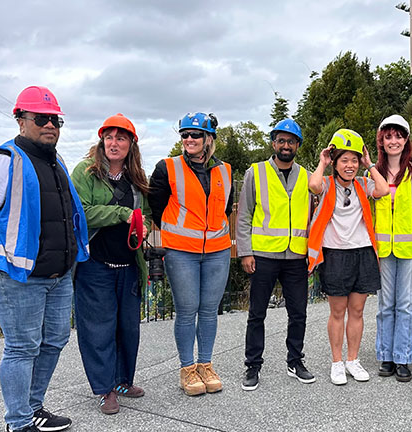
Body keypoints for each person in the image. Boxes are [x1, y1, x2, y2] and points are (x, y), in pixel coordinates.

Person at [0, 86, 88, 432]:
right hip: (18, 276)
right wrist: (6, 246)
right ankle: (16, 425)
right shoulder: (5, 160)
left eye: (55, 119)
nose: (50, 125)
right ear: (21, 120)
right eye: (41, 118)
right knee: (21, 348)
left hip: (59, 274)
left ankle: (32, 409)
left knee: (53, 341)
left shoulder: (55, 161)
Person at [71, 113, 152, 413]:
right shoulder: (85, 172)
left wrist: (143, 225)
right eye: (109, 137)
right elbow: (83, 214)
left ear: (131, 143)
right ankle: (105, 389)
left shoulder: (135, 178)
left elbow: (143, 215)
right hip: (95, 265)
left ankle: (122, 381)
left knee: (128, 328)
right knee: (98, 329)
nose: (114, 143)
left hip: (128, 265)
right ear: (101, 140)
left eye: (121, 137)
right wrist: (122, 215)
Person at [149, 112, 233, 396]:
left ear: (209, 139)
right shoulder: (166, 168)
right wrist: (178, 234)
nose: (189, 139)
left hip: (218, 251)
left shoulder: (225, 170)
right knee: (187, 312)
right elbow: (157, 207)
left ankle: (205, 365)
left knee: (209, 311)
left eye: (195, 135)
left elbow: (226, 207)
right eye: (184, 134)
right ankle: (187, 369)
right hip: (181, 252)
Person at [307, 128, 390, 385]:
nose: (350, 165)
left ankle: (352, 360)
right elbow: (313, 185)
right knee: (337, 312)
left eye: (354, 160)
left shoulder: (363, 184)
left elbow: (384, 189)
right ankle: (336, 362)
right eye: (344, 160)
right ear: (335, 161)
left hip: (363, 253)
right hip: (334, 255)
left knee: (357, 310)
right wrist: (323, 162)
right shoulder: (328, 185)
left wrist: (369, 164)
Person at [236, 119, 314, 390]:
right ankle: (252, 366)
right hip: (264, 255)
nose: (285, 145)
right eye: (281, 140)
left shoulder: (306, 176)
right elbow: (244, 216)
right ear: (273, 143)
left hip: (296, 256)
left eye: (291, 141)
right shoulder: (255, 172)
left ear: (297, 146)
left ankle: (295, 361)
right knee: (257, 314)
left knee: (298, 314)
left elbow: (315, 215)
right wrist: (245, 252)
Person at [372, 115, 412, 383]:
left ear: (406, 140)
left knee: (406, 305)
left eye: (398, 135)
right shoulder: (373, 173)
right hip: (383, 251)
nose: (393, 141)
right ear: (381, 142)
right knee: (386, 304)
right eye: (388, 136)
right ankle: (386, 355)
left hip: (411, 250)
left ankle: (402, 358)